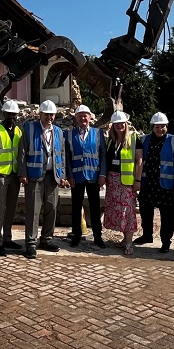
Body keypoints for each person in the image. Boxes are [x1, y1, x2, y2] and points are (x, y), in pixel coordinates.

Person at [18, 100, 67, 259]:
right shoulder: (30, 128)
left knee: (51, 209)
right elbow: (22, 152)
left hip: (53, 176)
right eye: (46, 114)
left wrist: (62, 174)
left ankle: (46, 239)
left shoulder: (59, 132)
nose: (49, 117)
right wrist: (22, 172)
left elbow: (62, 154)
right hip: (34, 176)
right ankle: (30, 244)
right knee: (33, 210)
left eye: (52, 114)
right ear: (40, 114)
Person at [134, 112, 174, 253]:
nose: (160, 129)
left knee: (167, 215)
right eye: (157, 127)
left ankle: (166, 241)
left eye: (162, 127)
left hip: (166, 185)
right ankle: (147, 235)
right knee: (145, 211)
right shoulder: (143, 140)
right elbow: (138, 161)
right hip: (148, 183)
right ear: (152, 127)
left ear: (167, 126)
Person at [65, 105, 107, 249]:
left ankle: (97, 237)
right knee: (76, 208)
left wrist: (102, 175)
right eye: (80, 116)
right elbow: (67, 158)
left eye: (85, 115)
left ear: (90, 117)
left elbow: (103, 155)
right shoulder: (69, 135)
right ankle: (76, 236)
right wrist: (69, 175)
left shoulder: (98, 133)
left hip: (94, 177)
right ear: (76, 118)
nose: (83, 118)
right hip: (76, 177)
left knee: (95, 208)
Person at [0, 100, 24, 257]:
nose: (11, 117)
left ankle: (7, 238)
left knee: (10, 209)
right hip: (2, 175)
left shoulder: (18, 131)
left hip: (14, 175)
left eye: (14, 114)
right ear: (4, 114)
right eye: (9, 114)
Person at [103, 111, 142, 255]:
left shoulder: (133, 138)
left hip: (127, 182)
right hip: (113, 181)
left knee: (128, 212)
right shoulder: (111, 141)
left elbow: (139, 161)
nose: (119, 126)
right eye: (116, 124)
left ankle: (130, 243)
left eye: (122, 123)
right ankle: (125, 239)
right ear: (113, 126)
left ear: (126, 124)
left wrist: (137, 180)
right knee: (118, 212)